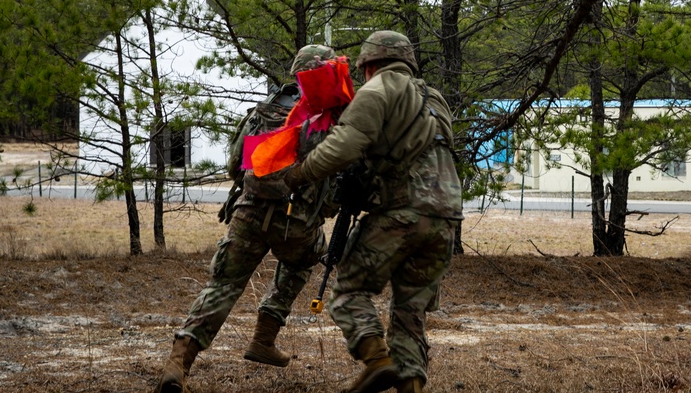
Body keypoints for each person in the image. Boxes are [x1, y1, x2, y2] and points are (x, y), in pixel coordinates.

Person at [154, 44, 348, 393]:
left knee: (222, 287)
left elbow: (234, 166)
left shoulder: (264, 111)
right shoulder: (328, 118)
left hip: (247, 214)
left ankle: (177, 364)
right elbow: (337, 177)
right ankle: (264, 336)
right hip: (296, 222)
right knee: (304, 260)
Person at [279, 30, 463, 393]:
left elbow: (343, 147)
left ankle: (379, 361)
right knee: (410, 312)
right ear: (407, 61)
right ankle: (409, 385)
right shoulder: (435, 98)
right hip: (447, 218)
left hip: (402, 212)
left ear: (368, 65)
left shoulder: (377, 90)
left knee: (349, 289)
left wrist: (298, 174)